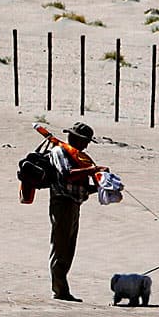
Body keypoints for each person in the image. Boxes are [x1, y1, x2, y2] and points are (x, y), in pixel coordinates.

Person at [35, 121, 102, 302]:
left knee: (69, 247)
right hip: (62, 202)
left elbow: (81, 185)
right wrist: (92, 170)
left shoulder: (80, 157)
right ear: (73, 137)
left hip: (74, 204)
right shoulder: (60, 152)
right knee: (60, 246)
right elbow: (67, 174)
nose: (86, 145)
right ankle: (59, 290)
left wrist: (106, 186)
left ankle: (62, 288)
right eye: (84, 140)